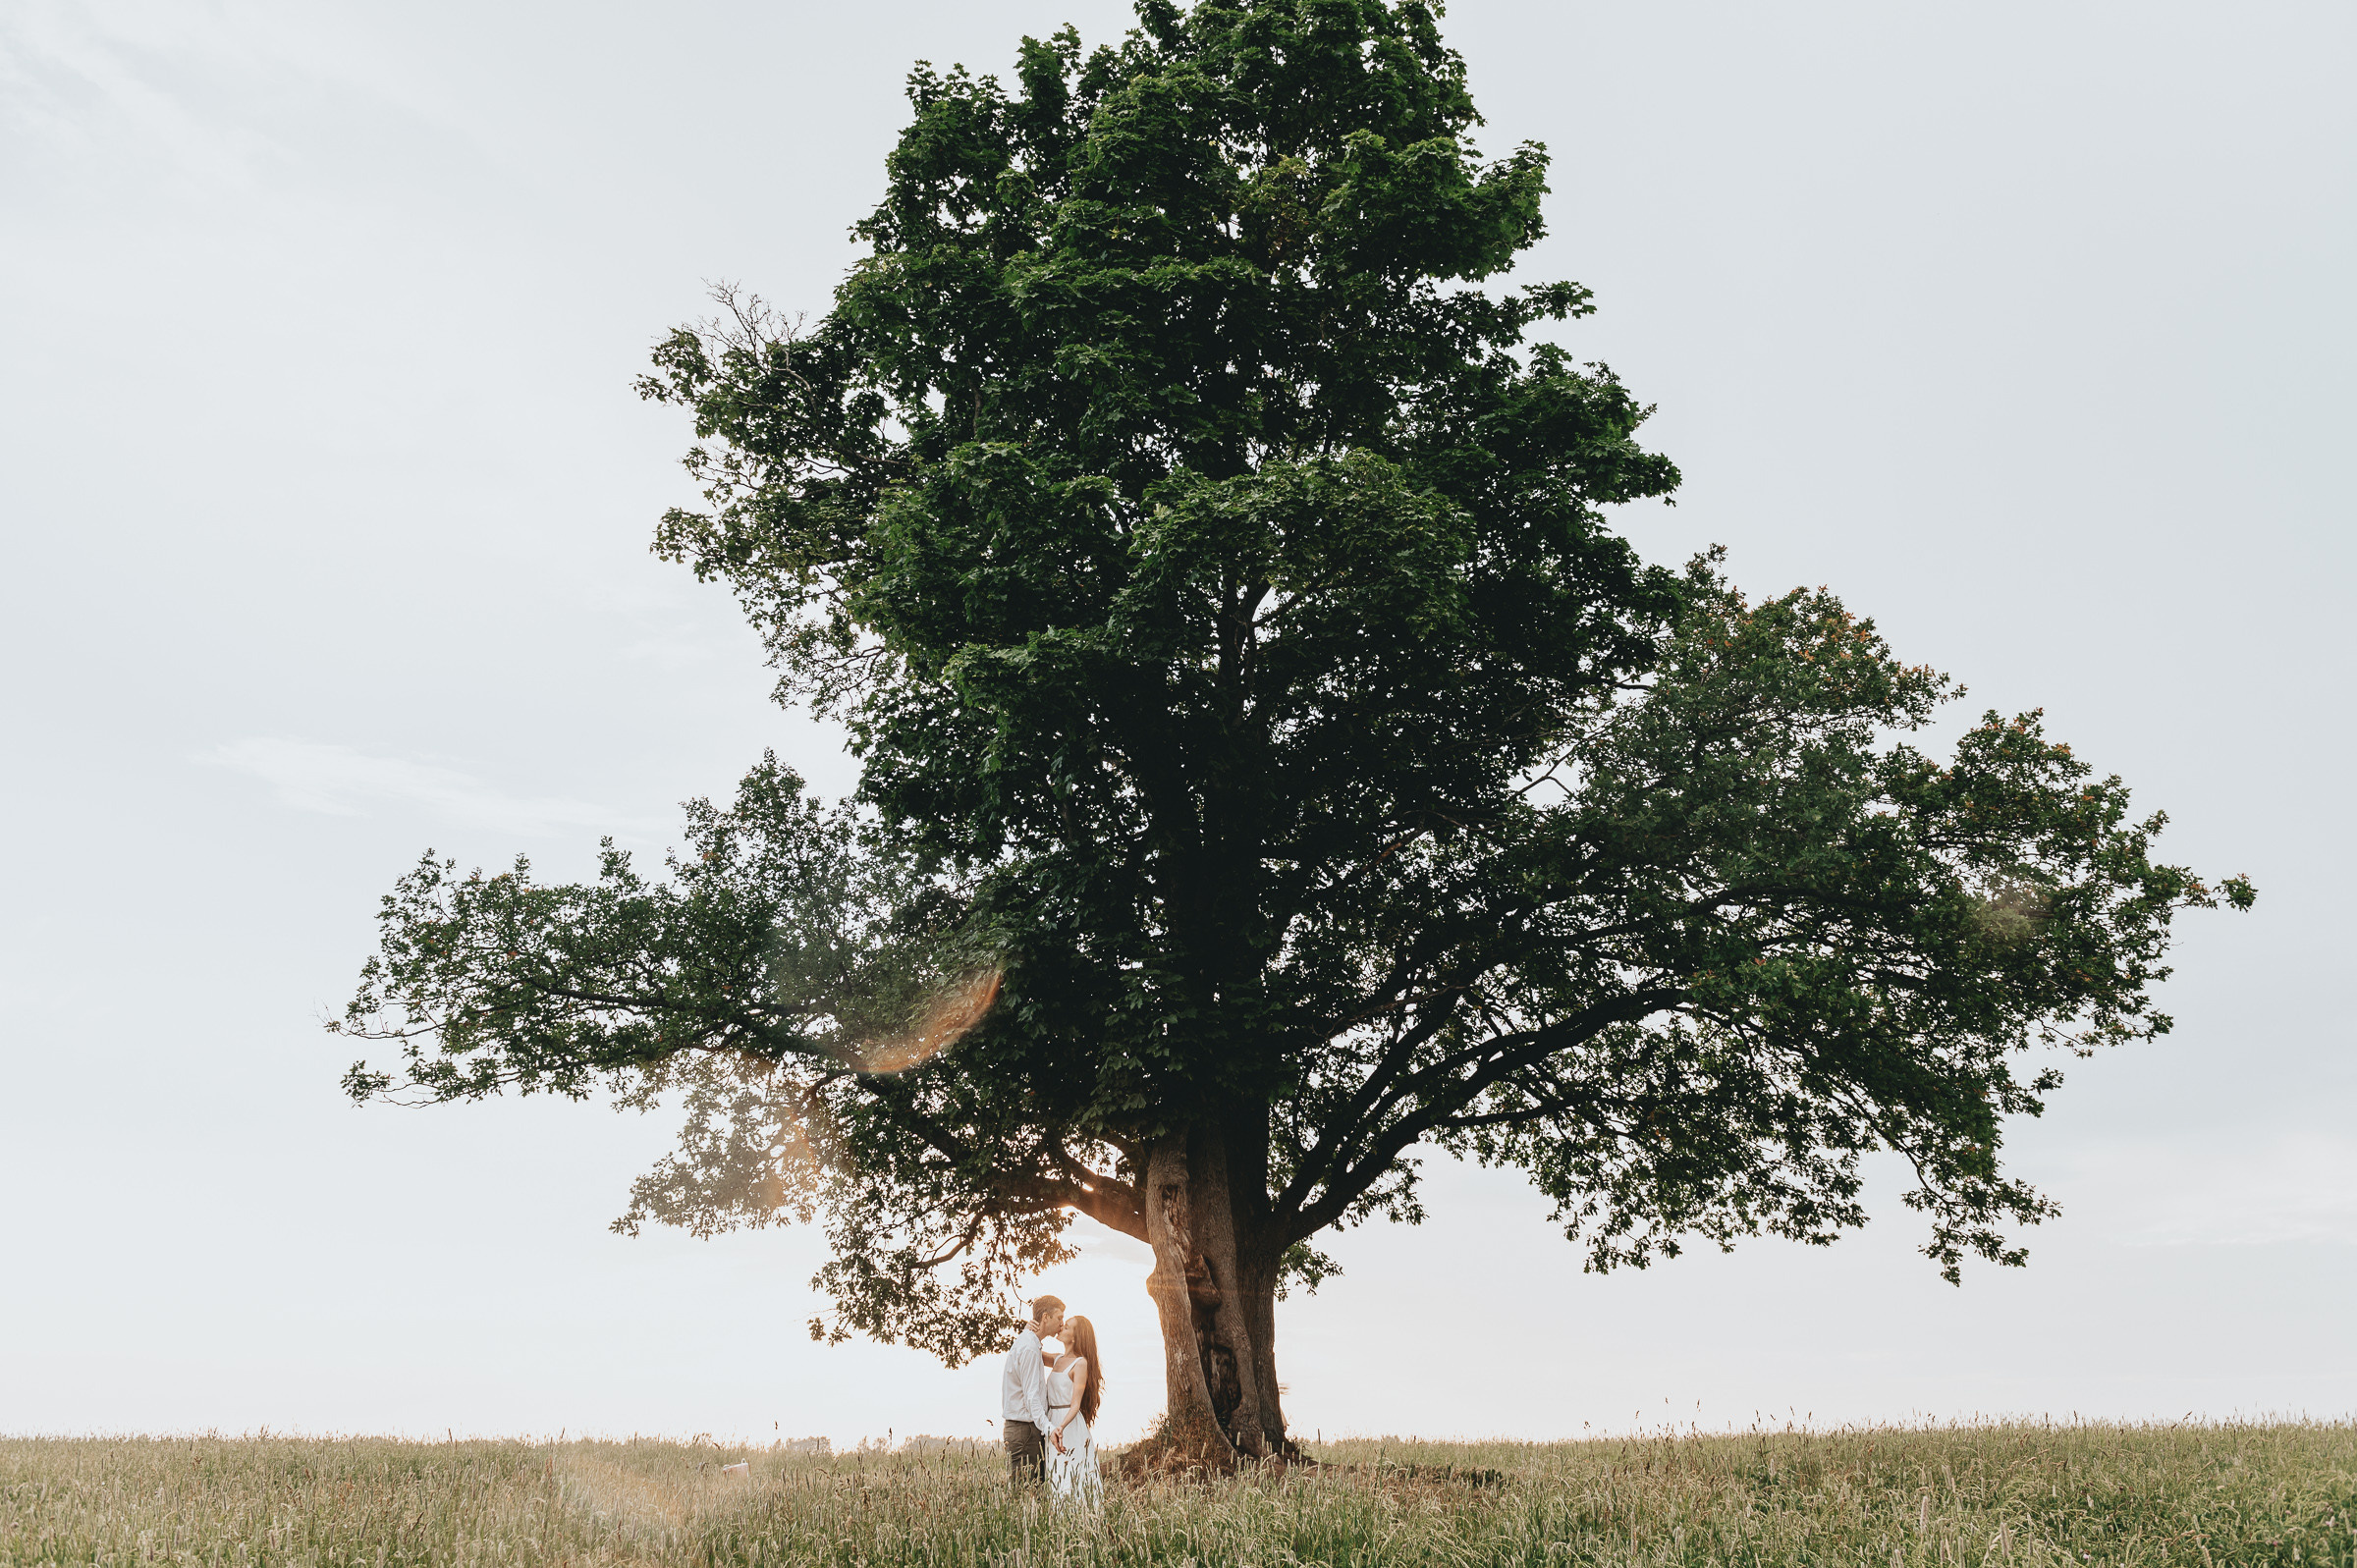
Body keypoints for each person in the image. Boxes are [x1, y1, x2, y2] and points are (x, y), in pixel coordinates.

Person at [1000, 1295, 1065, 1484]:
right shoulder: (1028, 1347)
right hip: (1024, 1431)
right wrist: (1049, 1428)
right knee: (1027, 1495)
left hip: (1028, 1430)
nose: (1062, 1323)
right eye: (1059, 1318)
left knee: (1033, 1493)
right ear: (1046, 1317)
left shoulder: (1030, 1343)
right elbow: (1031, 1397)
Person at [1046, 1314, 1105, 1507]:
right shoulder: (1057, 1359)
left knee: (1072, 1476)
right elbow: (1032, 1350)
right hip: (1051, 1421)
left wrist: (1060, 1427)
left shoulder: (1080, 1363)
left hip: (1068, 1425)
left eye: (1067, 1326)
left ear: (1075, 1337)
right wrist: (1033, 1328)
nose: (1061, 1326)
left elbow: (1075, 1404)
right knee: (1055, 1476)